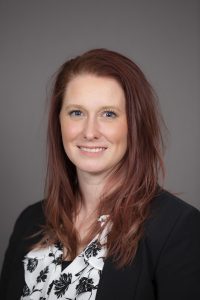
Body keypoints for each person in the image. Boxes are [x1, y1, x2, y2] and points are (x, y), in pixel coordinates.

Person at [0, 48, 200, 300]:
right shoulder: (30, 222)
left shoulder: (177, 227)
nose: (90, 131)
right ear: (58, 121)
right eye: (76, 112)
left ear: (134, 124)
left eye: (108, 114)